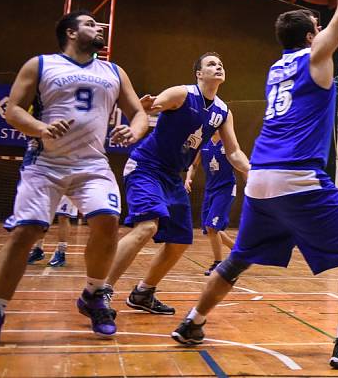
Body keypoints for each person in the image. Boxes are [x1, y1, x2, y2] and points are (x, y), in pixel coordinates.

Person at [171, 0, 338, 370]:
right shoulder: (315, 58)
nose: (323, 32)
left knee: (237, 259)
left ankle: (193, 321)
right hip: (297, 176)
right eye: (317, 29)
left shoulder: (276, 68)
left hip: (260, 179)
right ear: (311, 37)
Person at [0, 10, 148, 344]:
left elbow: (139, 113)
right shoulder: (41, 64)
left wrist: (133, 131)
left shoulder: (114, 71)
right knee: (26, 232)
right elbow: (14, 109)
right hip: (46, 162)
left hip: (92, 163)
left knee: (108, 221)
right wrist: (41, 128)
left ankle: (93, 294)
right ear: (70, 32)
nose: (99, 28)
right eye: (90, 24)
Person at [104, 52, 251, 315]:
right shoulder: (181, 94)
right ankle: (100, 291)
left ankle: (143, 293)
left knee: (181, 241)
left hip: (173, 176)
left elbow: (234, 151)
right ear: (198, 73)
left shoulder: (223, 112)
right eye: (211, 64)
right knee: (147, 226)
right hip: (147, 166)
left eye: (221, 64)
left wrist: (252, 171)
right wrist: (146, 106)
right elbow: (148, 108)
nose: (218, 67)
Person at [186, 131, 238, 276]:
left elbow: (238, 159)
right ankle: (240, 252)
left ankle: (218, 263)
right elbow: (194, 165)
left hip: (226, 189)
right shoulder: (204, 143)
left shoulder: (228, 141)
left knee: (211, 227)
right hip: (210, 190)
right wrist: (188, 178)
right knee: (211, 230)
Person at [27, 197, 78, 267]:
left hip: (67, 189)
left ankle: (61, 252)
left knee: (63, 216)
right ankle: (38, 249)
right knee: (42, 215)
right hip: (50, 188)